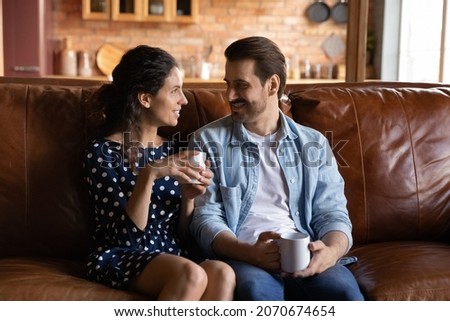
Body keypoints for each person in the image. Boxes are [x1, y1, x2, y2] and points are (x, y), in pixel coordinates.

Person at [189, 36, 364, 301]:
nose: (229, 96)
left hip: (303, 252)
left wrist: (331, 251)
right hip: (244, 256)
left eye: (241, 86)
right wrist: (249, 253)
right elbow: (205, 219)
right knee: (258, 294)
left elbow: (332, 213)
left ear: (272, 85)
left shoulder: (312, 143)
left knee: (345, 295)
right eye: (228, 85)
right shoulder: (208, 141)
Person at [82, 45, 235, 300]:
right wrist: (149, 173)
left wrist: (188, 198)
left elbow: (183, 236)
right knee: (191, 274)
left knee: (222, 272)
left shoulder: (175, 149)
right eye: (175, 91)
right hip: (121, 255)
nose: (184, 100)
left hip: (172, 253)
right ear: (145, 98)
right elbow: (126, 239)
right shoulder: (102, 153)